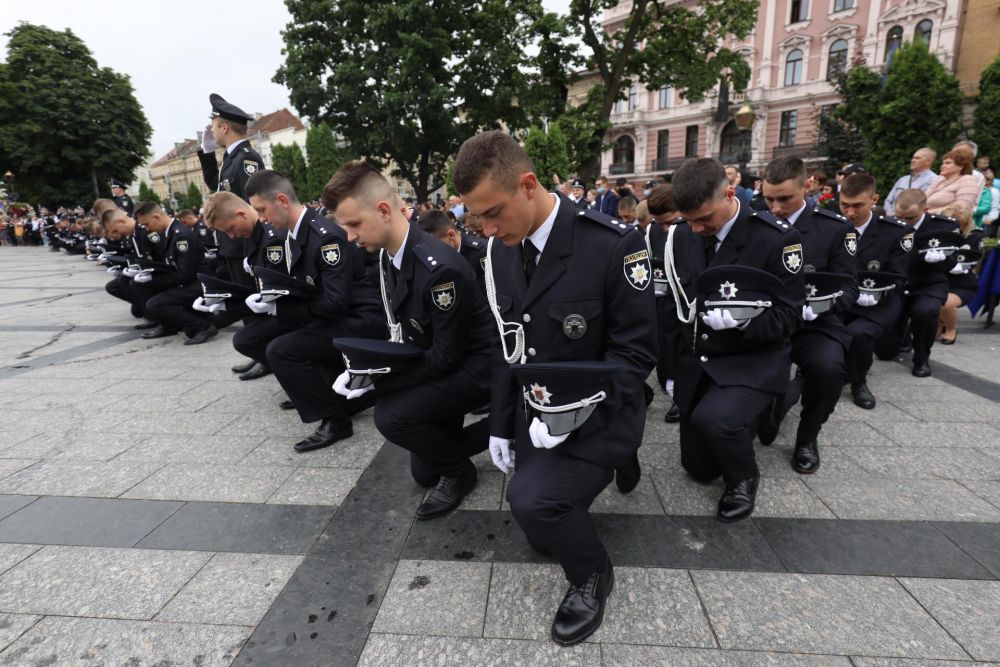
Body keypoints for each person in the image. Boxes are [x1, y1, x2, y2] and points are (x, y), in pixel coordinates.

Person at [454, 130, 657, 646]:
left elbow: (635, 356)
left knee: (536, 504)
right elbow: (509, 345)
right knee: (539, 527)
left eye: (493, 212)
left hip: (602, 410)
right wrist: (500, 425)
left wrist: (576, 414)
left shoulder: (612, 244)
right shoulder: (500, 250)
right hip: (537, 409)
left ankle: (591, 574)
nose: (485, 227)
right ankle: (592, 481)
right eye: (476, 217)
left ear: (528, 184)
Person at [324, 161, 493, 517]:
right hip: (442, 362)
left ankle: (473, 461)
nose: (350, 237)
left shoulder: (438, 268)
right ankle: (461, 452)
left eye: (354, 224)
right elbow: (405, 331)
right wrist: (367, 367)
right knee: (424, 472)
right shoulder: (391, 255)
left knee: (390, 416)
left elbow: (447, 356)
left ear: (384, 210)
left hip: (476, 370)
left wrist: (379, 381)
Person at [663, 158, 804, 524]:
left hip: (752, 357)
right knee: (697, 468)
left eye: (704, 218)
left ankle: (744, 478)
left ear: (729, 194)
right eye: (689, 219)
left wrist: (744, 323)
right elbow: (674, 306)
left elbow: (790, 315)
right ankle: (760, 413)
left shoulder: (775, 237)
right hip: (701, 359)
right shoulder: (680, 235)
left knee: (717, 421)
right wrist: (667, 367)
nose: (696, 228)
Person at [240, 170, 384, 452]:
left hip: (360, 318)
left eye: (261, 209)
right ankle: (341, 398)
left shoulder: (324, 236)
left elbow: (336, 301)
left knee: (281, 350)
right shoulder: (294, 233)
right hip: (334, 315)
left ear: (281, 200)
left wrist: (280, 308)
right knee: (269, 338)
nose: (261, 217)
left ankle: (335, 419)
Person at [755, 157, 858, 474]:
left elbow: (849, 288)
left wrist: (821, 306)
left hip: (813, 323)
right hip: (767, 321)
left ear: (807, 186)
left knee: (828, 369)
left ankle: (807, 437)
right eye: (768, 198)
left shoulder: (834, 229)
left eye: (784, 198)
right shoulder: (756, 224)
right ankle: (770, 406)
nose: (775, 207)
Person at [197, 93, 269, 377]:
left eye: (214, 126)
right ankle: (259, 353)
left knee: (254, 301)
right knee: (245, 302)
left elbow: (254, 206)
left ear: (225, 127)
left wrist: (255, 249)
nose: (211, 131)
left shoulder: (247, 159)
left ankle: (266, 356)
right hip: (231, 244)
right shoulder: (231, 159)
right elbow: (217, 187)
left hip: (243, 244)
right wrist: (205, 153)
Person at [837, 173, 913, 409]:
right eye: (844, 205)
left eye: (857, 205)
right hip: (842, 300)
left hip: (878, 302)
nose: (850, 213)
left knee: (860, 334)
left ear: (874, 200)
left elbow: (900, 277)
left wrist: (878, 292)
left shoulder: (895, 232)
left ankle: (858, 381)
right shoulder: (833, 228)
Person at [201, 191, 291, 381]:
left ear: (241, 214)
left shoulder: (271, 237)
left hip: (291, 308)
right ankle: (279, 365)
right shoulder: (253, 234)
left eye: (231, 228)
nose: (232, 236)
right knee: (245, 330)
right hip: (274, 304)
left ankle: (296, 372)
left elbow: (281, 290)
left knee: (246, 339)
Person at [876, 189, 960, 377]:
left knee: (925, 312)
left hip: (928, 283)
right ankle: (904, 335)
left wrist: (941, 259)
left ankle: (922, 358)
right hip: (899, 285)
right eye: (900, 217)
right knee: (884, 352)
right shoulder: (889, 226)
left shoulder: (943, 227)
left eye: (911, 218)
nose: (904, 222)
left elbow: (954, 263)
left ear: (926, 209)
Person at [133, 202, 218, 345]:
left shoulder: (180, 236)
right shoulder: (171, 232)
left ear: (156, 217)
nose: (147, 229)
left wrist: (152, 279)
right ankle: (176, 324)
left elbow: (185, 274)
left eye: (147, 224)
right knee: (144, 289)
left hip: (200, 283)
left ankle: (205, 327)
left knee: (155, 304)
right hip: (191, 281)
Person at [645, 184, 683, 423]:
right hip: (661, 301)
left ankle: (681, 397)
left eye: (670, 221)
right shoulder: (651, 232)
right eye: (661, 224)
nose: (666, 228)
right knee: (663, 352)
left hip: (686, 303)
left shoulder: (691, 229)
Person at [938, 205, 986, 345]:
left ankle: (951, 329)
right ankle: (939, 322)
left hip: (961, 284)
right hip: (938, 280)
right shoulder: (937, 234)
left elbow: (971, 261)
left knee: (945, 303)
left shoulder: (975, 236)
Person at [417, 208, 487, 287]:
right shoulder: (440, 257)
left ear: (451, 235)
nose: (432, 250)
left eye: (435, 244)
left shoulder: (480, 251)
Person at [884, 148, 938, 216]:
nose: (913, 160)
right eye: (913, 158)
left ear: (928, 162)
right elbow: (888, 200)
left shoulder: (934, 180)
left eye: (917, 158)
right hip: (892, 218)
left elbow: (923, 203)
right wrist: (889, 215)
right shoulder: (902, 180)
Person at [925, 149, 981, 213]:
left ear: (961, 166)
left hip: (947, 221)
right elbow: (922, 199)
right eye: (942, 163)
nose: (942, 166)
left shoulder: (968, 182)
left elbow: (961, 208)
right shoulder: (940, 180)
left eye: (947, 163)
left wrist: (929, 212)